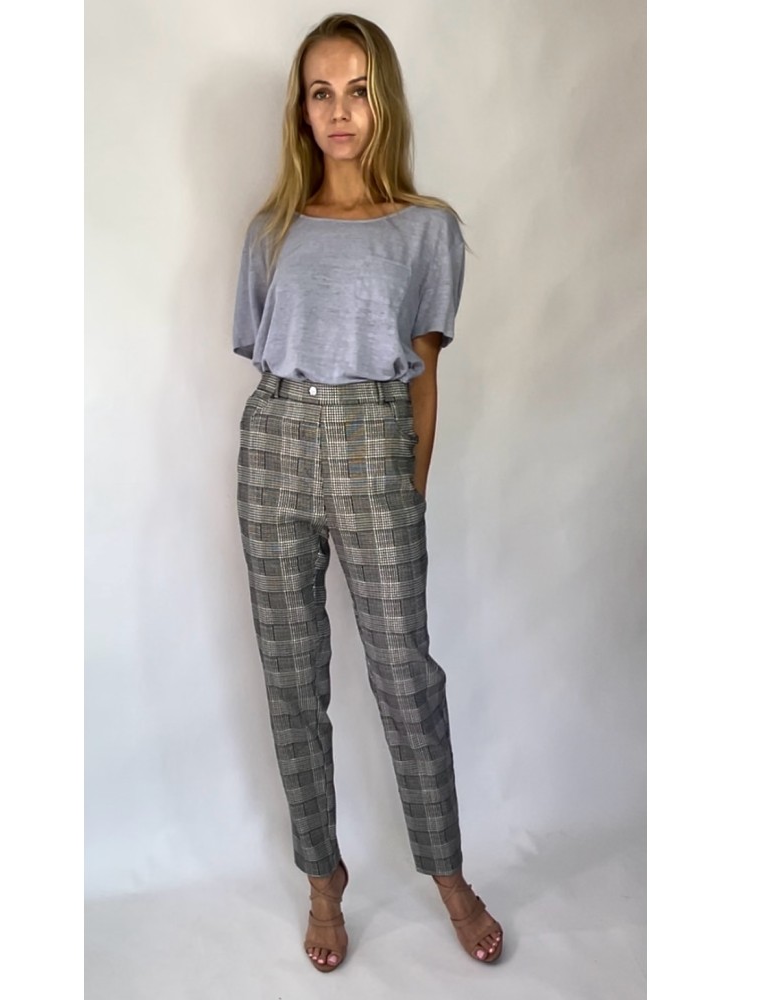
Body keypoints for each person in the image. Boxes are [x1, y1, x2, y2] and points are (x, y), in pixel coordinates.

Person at [231, 12, 503, 972]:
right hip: (275, 446)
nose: (339, 111)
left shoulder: (427, 230)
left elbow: (424, 379)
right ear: (301, 111)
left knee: (404, 675)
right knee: (291, 681)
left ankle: (449, 873)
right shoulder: (271, 231)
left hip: (373, 444)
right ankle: (322, 876)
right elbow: (265, 355)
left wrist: (408, 490)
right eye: (321, 93)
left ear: (382, 103)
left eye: (357, 91)